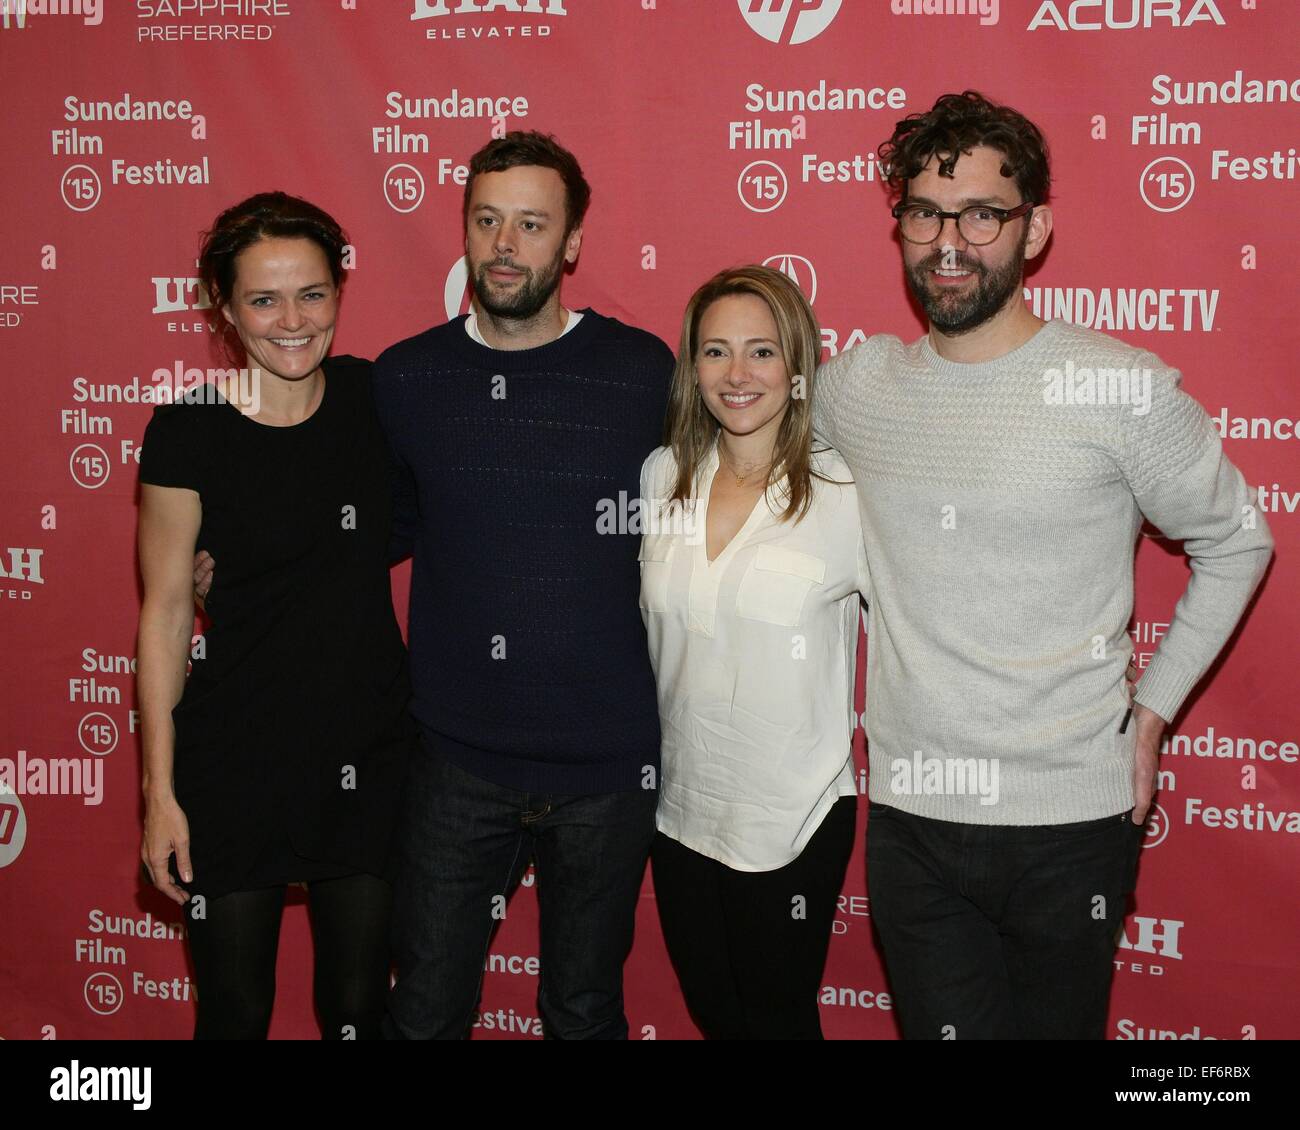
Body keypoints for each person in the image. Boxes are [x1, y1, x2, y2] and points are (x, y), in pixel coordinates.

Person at [813, 91, 1274, 1040]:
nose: (951, 241)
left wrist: (1153, 717)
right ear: (898, 226)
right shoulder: (856, 388)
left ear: (1036, 230)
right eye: (926, 213)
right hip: (912, 823)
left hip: (1072, 824)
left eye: (983, 213)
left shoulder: (1120, 389)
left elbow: (1237, 540)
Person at [373, 131, 674, 1040]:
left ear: (572, 243)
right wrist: (233, 553)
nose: (505, 245)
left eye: (532, 225)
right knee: (423, 1011)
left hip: (610, 765)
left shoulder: (642, 373)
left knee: (583, 1011)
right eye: (488, 220)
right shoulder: (406, 377)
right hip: (456, 758)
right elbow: (367, 533)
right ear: (464, 231)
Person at [136, 192, 413, 1040]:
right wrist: (159, 792)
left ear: (339, 293)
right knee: (232, 1013)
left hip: (366, 751)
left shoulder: (380, 400)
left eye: (313, 294)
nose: (292, 321)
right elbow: (164, 615)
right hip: (233, 759)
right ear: (224, 306)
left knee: (360, 1011)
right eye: (263, 298)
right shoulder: (188, 430)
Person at [640, 265, 865, 1039]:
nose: (737, 375)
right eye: (715, 352)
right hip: (680, 810)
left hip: (793, 813)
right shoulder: (662, 475)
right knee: (717, 1017)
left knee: (776, 1023)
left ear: (799, 368)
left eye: (762, 352)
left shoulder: (848, 493)